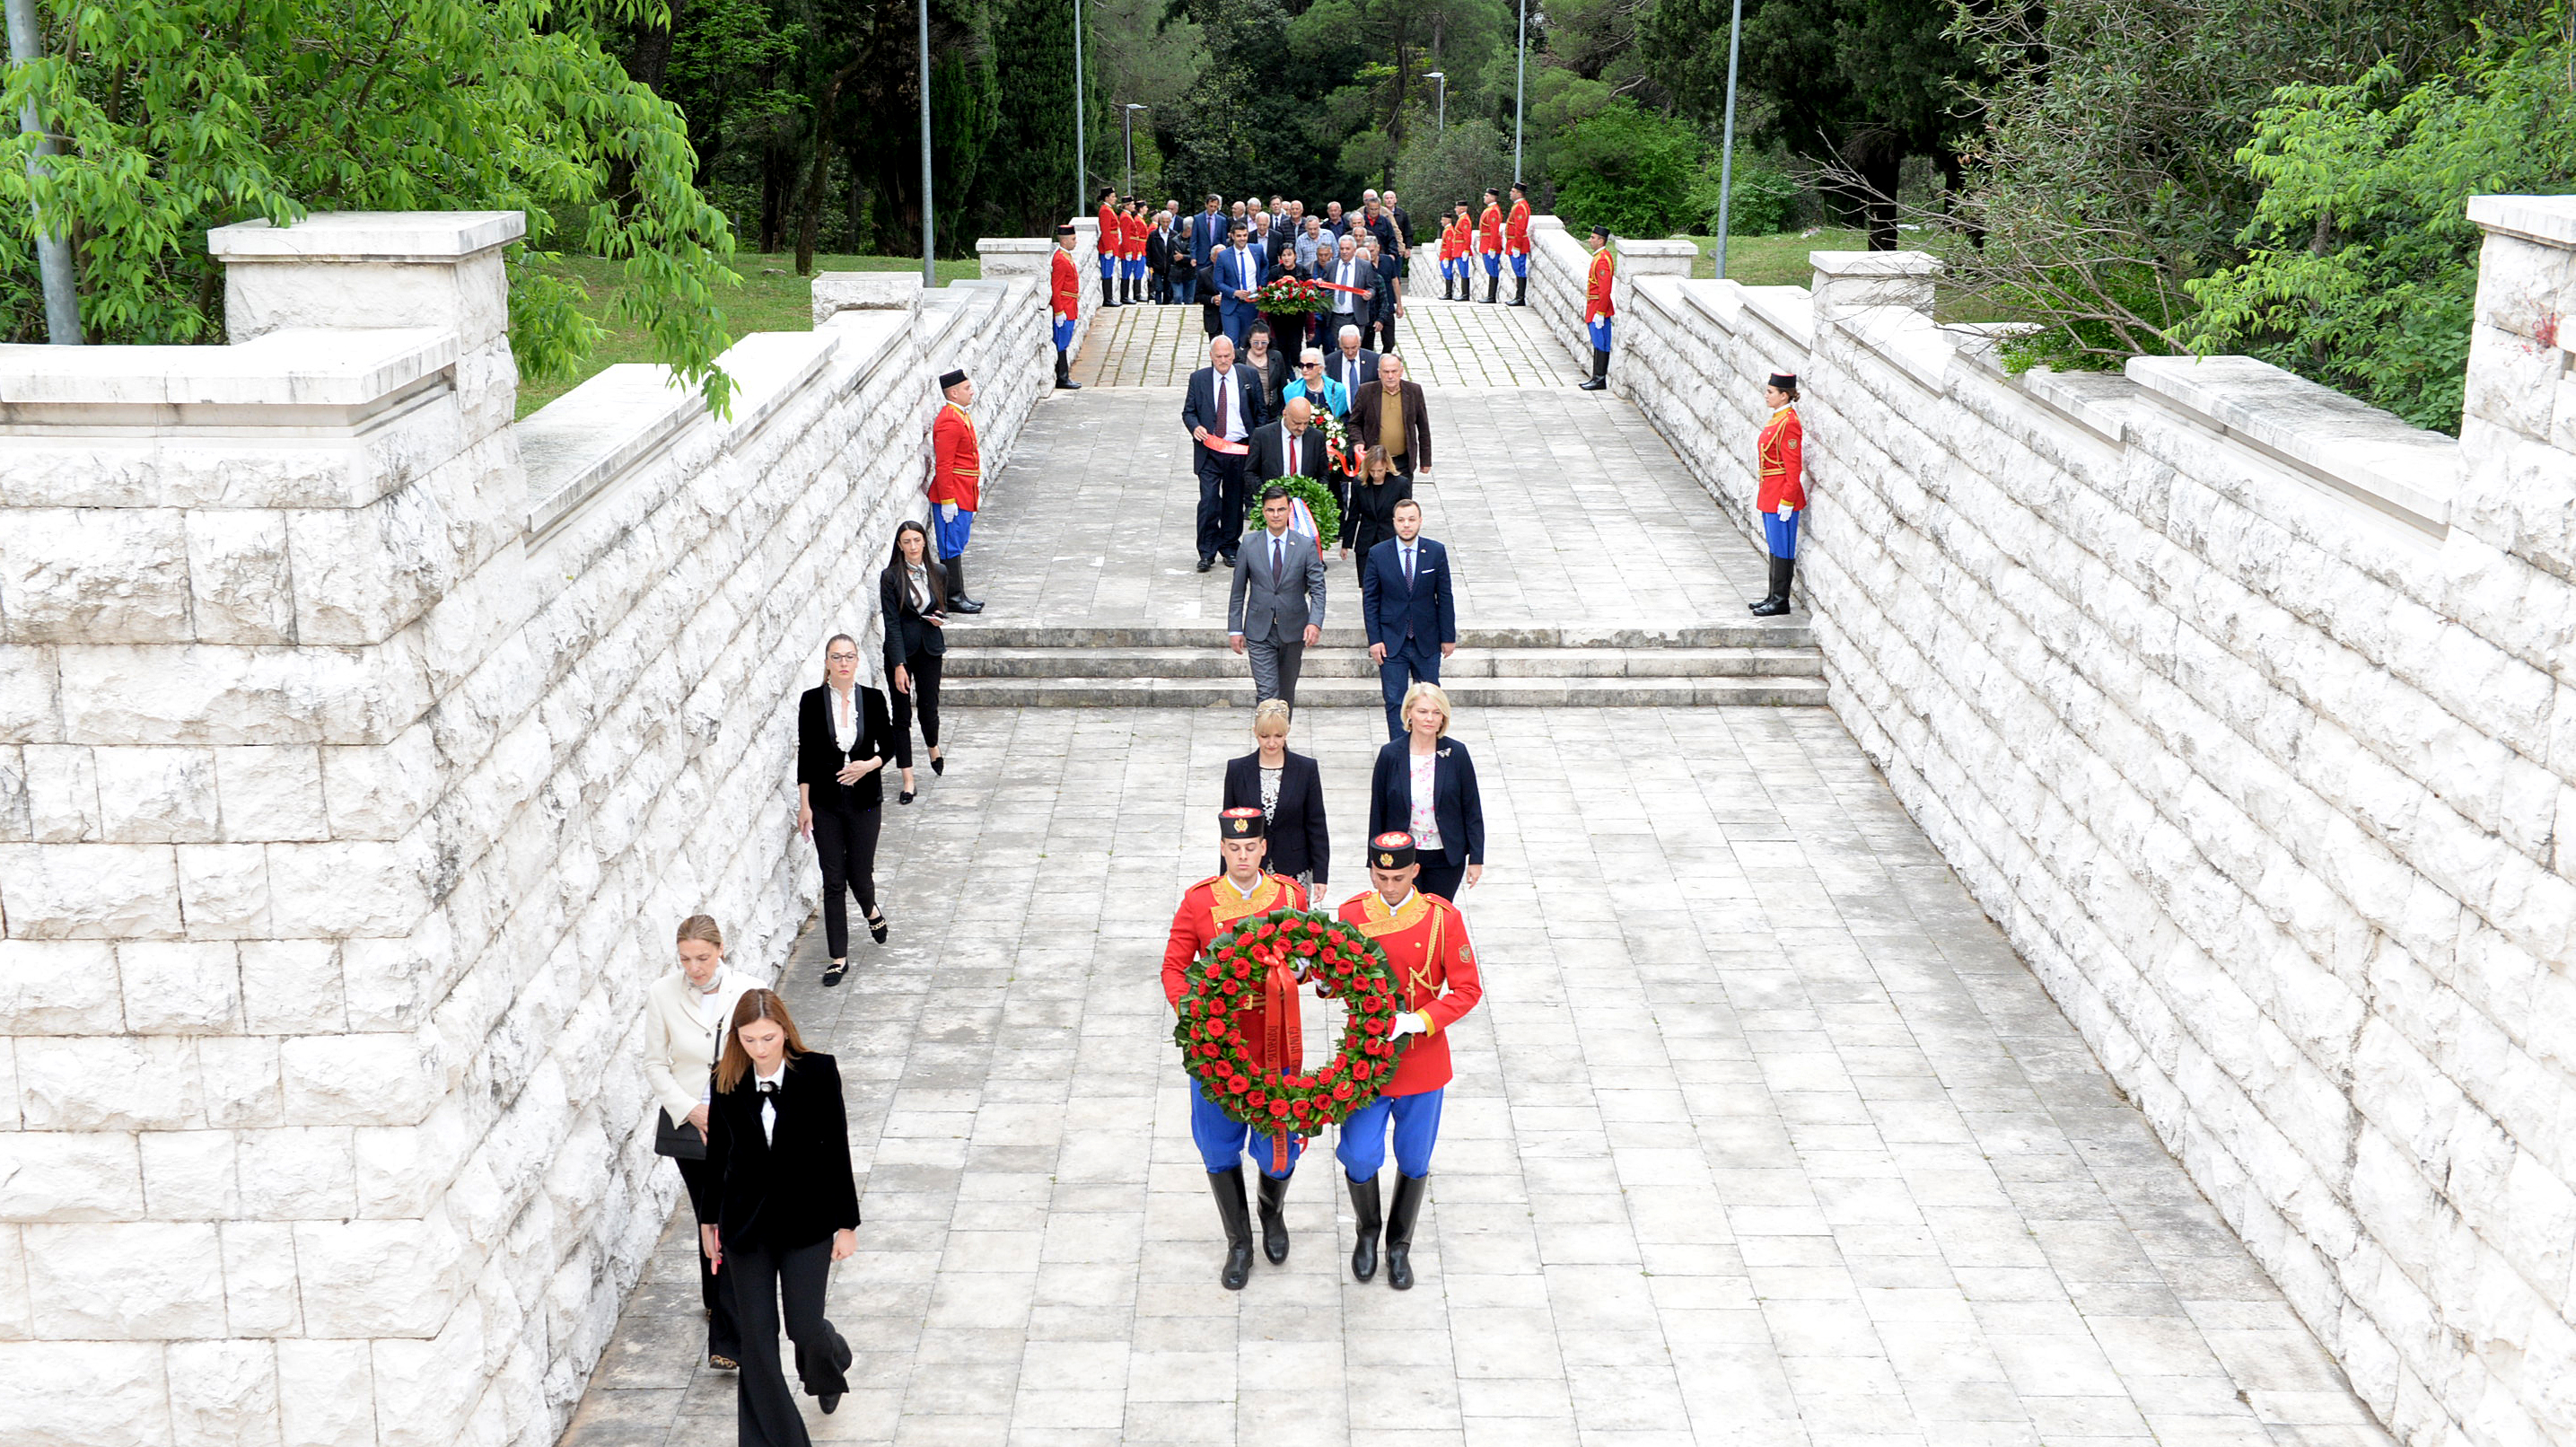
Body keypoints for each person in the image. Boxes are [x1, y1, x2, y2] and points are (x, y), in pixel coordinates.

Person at [1162, 808, 1312, 1288]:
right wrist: (1196, 1013)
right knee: (1218, 1146)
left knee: (1279, 1150)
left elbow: (1308, 954)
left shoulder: (1290, 896)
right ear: (1223, 848)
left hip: (1276, 1044)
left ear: (1264, 848)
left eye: (1251, 848)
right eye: (1234, 848)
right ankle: (1239, 1241)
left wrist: (1304, 970)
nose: (1243, 856)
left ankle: (1273, 1213)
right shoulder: (1198, 902)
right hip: (1220, 1049)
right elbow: (1174, 967)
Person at [702, 989, 860, 1443]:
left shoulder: (818, 1071)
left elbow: (837, 1149)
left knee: (805, 1328)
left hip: (806, 1222)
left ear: (785, 1032)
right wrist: (708, 1222)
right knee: (758, 1340)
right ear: (738, 1039)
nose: (760, 1048)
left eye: (768, 1037)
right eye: (749, 1040)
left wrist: (846, 1224)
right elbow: (718, 1155)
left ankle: (830, 1366)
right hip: (745, 1226)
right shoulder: (725, 1079)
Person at [1333, 830, 1482, 1288]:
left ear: (1416, 871)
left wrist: (1416, 1021)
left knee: (1415, 1159)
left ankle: (1399, 1245)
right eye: (1381, 876)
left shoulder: (1442, 920)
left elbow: (1467, 989)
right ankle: (1367, 1232)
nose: (1389, 886)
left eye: (1398, 877)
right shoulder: (1352, 915)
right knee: (1359, 1155)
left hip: (1421, 1059)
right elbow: (1332, 980)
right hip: (1367, 1062)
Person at [642, 915, 752, 1373]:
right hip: (691, 1125)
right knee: (709, 1208)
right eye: (686, 960)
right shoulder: (661, 994)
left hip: (738, 1122)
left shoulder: (750, 990)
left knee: (728, 1214)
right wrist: (690, 1108)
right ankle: (715, 1296)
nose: (695, 969)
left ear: (721, 949)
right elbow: (654, 1064)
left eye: (703, 958)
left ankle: (726, 1337)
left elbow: (765, 1056)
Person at [797, 634, 895, 985]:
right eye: (836, 657)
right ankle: (838, 956)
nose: (842, 663)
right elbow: (806, 755)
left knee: (860, 873)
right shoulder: (810, 701)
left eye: (849, 657)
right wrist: (804, 804)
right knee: (834, 879)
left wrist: (868, 765)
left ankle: (870, 909)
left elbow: (891, 745)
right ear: (827, 662)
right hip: (824, 803)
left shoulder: (872, 699)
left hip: (865, 800)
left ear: (856, 663)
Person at [1369, 682, 1485, 904]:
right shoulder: (1390, 754)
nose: (1429, 718)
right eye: (1422, 711)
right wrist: (1374, 862)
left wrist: (1476, 859)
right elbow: (1378, 811)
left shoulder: (1456, 753)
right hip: (1402, 856)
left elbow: (1471, 809)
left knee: (1437, 914)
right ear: (1409, 713)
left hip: (1445, 855)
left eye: (1436, 712)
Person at [1362, 497, 1455, 737]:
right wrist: (1374, 639)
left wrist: (1448, 636)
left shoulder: (1435, 551)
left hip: (1427, 639)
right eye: (1401, 520)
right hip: (1392, 640)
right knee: (1394, 700)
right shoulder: (1378, 554)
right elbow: (1371, 600)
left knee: (1431, 700)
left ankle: (1429, 745)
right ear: (1393, 522)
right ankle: (1400, 752)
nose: (1406, 525)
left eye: (1411, 520)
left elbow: (1444, 596)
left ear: (1420, 521)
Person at [1228, 485, 1327, 708]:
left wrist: (1315, 622)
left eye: (1281, 509)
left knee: (1285, 694)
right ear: (1263, 511)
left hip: (1293, 630)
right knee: (1267, 694)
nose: (1276, 515)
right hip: (1259, 630)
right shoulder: (1249, 545)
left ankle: (1280, 742)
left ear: (1289, 511)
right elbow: (1238, 590)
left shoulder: (1304, 545)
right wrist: (1235, 628)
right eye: (1271, 510)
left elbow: (1318, 588)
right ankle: (1267, 742)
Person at [1222, 701, 1328, 894]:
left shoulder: (1306, 769)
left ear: (1286, 733)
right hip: (1250, 870)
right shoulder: (1237, 770)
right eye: (1265, 736)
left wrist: (1321, 875)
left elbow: (1316, 824)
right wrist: (1224, 874)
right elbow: (1229, 829)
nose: (1272, 743)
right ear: (1255, 732)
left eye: (1278, 736)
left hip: (1295, 867)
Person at [881, 520, 948, 802]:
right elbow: (891, 622)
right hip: (901, 652)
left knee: (929, 706)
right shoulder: (891, 577)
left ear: (923, 542)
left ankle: (933, 745)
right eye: (906, 541)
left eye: (916, 541)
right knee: (901, 716)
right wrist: (898, 664)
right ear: (899, 545)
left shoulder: (939, 572)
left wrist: (939, 618)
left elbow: (942, 605)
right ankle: (908, 779)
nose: (912, 547)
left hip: (929, 647)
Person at [1183, 334, 1264, 572]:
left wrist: (1257, 442)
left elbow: (1260, 411)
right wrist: (1195, 426)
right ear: (1211, 356)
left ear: (1234, 355)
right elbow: (1188, 412)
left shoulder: (1248, 376)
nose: (1223, 360)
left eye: (1227, 356)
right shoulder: (1198, 379)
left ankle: (1229, 546)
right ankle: (1206, 551)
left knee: (1233, 501)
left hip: (1238, 449)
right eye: (1218, 356)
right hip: (1209, 450)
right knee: (1208, 501)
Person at [926, 368, 986, 613]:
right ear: (953, 392)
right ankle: (952, 597)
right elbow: (944, 464)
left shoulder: (959, 414)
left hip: (964, 489)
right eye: (966, 388)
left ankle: (959, 593)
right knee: (950, 546)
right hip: (952, 493)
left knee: (958, 543)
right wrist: (948, 499)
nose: (971, 392)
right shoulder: (949, 420)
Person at [1750, 371, 1805, 617]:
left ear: (1784, 396)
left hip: (1782, 496)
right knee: (1774, 546)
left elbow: (1794, 466)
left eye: (1770, 392)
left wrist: (1787, 500)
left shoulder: (1789, 423)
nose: (1766, 395)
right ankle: (1772, 595)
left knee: (1783, 548)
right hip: (1770, 493)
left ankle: (1781, 600)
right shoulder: (1777, 419)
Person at [1347, 351, 1431, 491]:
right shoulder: (1366, 391)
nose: (1390, 376)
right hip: (1374, 462)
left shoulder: (1413, 391)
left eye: (1394, 371)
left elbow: (1423, 427)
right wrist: (1358, 441)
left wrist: (1425, 460)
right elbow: (1354, 423)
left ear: (1401, 371)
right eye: (1386, 372)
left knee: (1401, 504)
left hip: (1402, 460)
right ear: (1379, 373)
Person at [1213, 221, 1266, 346]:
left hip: (1252, 304)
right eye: (1239, 236)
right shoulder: (1224, 256)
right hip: (1231, 305)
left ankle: (1245, 366)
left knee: (1248, 340)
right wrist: (1234, 292)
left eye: (1244, 235)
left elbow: (1265, 265)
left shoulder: (1257, 250)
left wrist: (1261, 287)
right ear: (1232, 236)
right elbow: (1218, 282)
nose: (1242, 239)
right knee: (1232, 341)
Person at [1320, 232, 1375, 347]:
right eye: (1342, 248)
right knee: (1340, 349)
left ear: (1354, 250)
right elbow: (1325, 285)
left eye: (1347, 249)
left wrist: (1369, 294)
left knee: (1355, 348)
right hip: (1336, 316)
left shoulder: (1364, 266)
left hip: (1356, 316)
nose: (1344, 251)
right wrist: (1320, 283)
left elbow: (1371, 286)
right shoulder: (1331, 266)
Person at [1579, 222, 1616, 392]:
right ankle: (1597, 377)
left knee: (1600, 343)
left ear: (1601, 241)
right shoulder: (1600, 257)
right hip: (1596, 306)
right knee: (1599, 343)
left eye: (1593, 238)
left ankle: (1599, 379)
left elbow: (1605, 288)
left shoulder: (1602, 260)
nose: (1590, 240)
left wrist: (1600, 312)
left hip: (1598, 307)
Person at [1049, 224, 1082, 390]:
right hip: (1065, 306)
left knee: (1065, 341)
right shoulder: (1060, 260)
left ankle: (1064, 375)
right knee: (1061, 343)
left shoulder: (1066, 256)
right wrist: (1059, 310)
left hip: (1070, 305)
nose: (1076, 242)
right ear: (1064, 241)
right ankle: (1062, 377)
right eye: (1073, 239)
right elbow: (1056, 288)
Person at [1242, 320, 1292, 417]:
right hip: (1246, 412)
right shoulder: (1239, 358)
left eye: (1264, 342)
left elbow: (1282, 386)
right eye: (1256, 342)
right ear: (1249, 340)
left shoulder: (1276, 357)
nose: (1260, 346)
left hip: (1271, 412)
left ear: (1269, 341)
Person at [1361, 236, 1402, 355]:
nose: (1370, 254)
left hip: (1387, 305)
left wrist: (1399, 304)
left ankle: (1384, 359)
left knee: (1389, 341)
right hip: (1370, 309)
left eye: (1372, 251)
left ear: (1378, 248)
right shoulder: (1364, 266)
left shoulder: (1388, 261)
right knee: (1368, 343)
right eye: (1367, 251)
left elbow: (1395, 281)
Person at [1283, 349, 1349, 422]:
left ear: (1320, 368)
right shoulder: (1290, 390)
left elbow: (1344, 417)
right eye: (1302, 365)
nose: (1304, 370)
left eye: (1309, 366)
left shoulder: (1337, 389)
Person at [1188, 194, 1228, 302]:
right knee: (1202, 278)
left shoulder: (1222, 220)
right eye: (1211, 206)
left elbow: (1223, 240)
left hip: (1217, 255)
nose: (1213, 209)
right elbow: (1194, 239)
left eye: (1215, 207)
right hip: (1202, 255)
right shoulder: (1198, 218)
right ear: (1206, 205)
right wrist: (1193, 256)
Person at [1324, 323, 1379, 392]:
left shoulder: (1374, 360)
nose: (1350, 352)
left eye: (1354, 347)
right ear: (1340, 344)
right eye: (1346, 348)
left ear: (1359, 343)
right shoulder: (1329, 362)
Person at [1504, 182, 1533, 306]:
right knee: (1517, 270)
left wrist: (1516, 246)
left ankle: (1520, 297)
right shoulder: (1518, 205)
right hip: (1514, 242)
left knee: (1520, 270)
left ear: (1518, 193)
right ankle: (1518, 296)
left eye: (1513, 191)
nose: (1510, 193)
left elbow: (1520, 228)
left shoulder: (1520, 206)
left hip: (1518, 244)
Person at [1095, 187, 1123, 309]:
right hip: (1108, 246)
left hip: (1112, 244)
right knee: (1107, 272)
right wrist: (1108, 249)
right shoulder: (1105, 210)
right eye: (1113, 196)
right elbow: (1105, 230)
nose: (1115, 199)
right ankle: (1108, 298)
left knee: (1110, 272)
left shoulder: (1108, 209)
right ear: (1106, 198)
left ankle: (1110, 297)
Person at [1476, 189, 1505, 303]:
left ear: (1493, 197)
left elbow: (1494, 231)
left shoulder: (1493, 211)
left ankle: (1492, 296)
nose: (1485, 197)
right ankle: (1490, 295)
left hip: (1490, 245)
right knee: (1490, 270)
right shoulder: (1490, 210)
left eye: (1487, 195)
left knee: (1493, 270)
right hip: (1486, 243)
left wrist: (1492, 247)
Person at [1439, 204, 1468, 301]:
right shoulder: (1449, 228)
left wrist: (1447, 257)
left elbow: (1449, 245)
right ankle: (1451, 293)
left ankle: (1463, 294)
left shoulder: (1450, 230)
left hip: (1458, 251)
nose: (1441, 222)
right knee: (1458, 272)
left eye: (1443, 219)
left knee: (1462, 272)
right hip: (1455, 251)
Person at [1146, 207, 1174, 304]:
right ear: (1160, 221)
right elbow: (1149, 249)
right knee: (1158, 288)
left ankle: (1166, 304)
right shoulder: (1154, 235)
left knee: (1167, 288)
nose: (1165, 224)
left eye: (1167, 222)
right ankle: (1158, 304)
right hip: (1157, 265)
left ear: (1170, 221)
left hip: (1170, 266)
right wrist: (1149, 264)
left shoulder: (1174, 235)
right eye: (1163, 222)